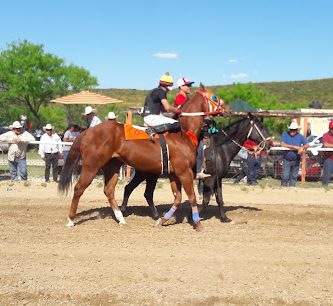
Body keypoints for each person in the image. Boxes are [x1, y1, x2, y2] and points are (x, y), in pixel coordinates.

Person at [142, 72, 182, 141]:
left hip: (148, 117)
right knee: (176, 124)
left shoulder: (154, 91)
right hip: (153, 117)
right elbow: (167, 107)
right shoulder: (161, 92)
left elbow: (163, 109)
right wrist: (177, 110)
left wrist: (171, 112)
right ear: (168, 86)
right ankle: (153, 130)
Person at [280, 120, 309, 187]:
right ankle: (283, 188)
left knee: (294, 176)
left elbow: (307, 145)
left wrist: (301, 147)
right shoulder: (285, 134)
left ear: (297, 130)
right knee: (285, 175)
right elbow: (282, 144)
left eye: (294, 130)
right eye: (291, 130)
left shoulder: (300, 136)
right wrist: (294, 147)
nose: (292, 131)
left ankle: (292, 189)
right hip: (287, 159)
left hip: (296, 159)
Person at [321, 121, 333, 186]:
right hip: (329, 158)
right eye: (332, 128)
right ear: (329, 128)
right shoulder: (326, 135)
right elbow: (325, 144)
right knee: (327, 175)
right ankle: (324, 188)